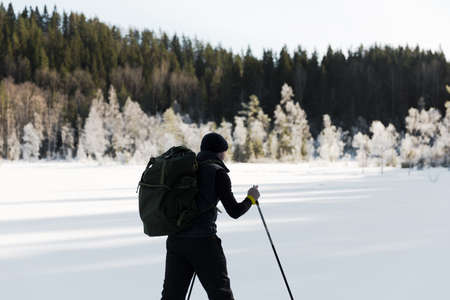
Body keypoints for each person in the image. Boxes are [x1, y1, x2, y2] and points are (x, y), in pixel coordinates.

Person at [161, 132, 260, 300]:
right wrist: (251, 198)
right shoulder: (217, 173)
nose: (225, 156)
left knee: (172, 297)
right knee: (221, 295)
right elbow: (234, 211)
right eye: (224, 152)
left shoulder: (186, 170)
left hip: (176, 241)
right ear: (219, 152)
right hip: (204, 243)